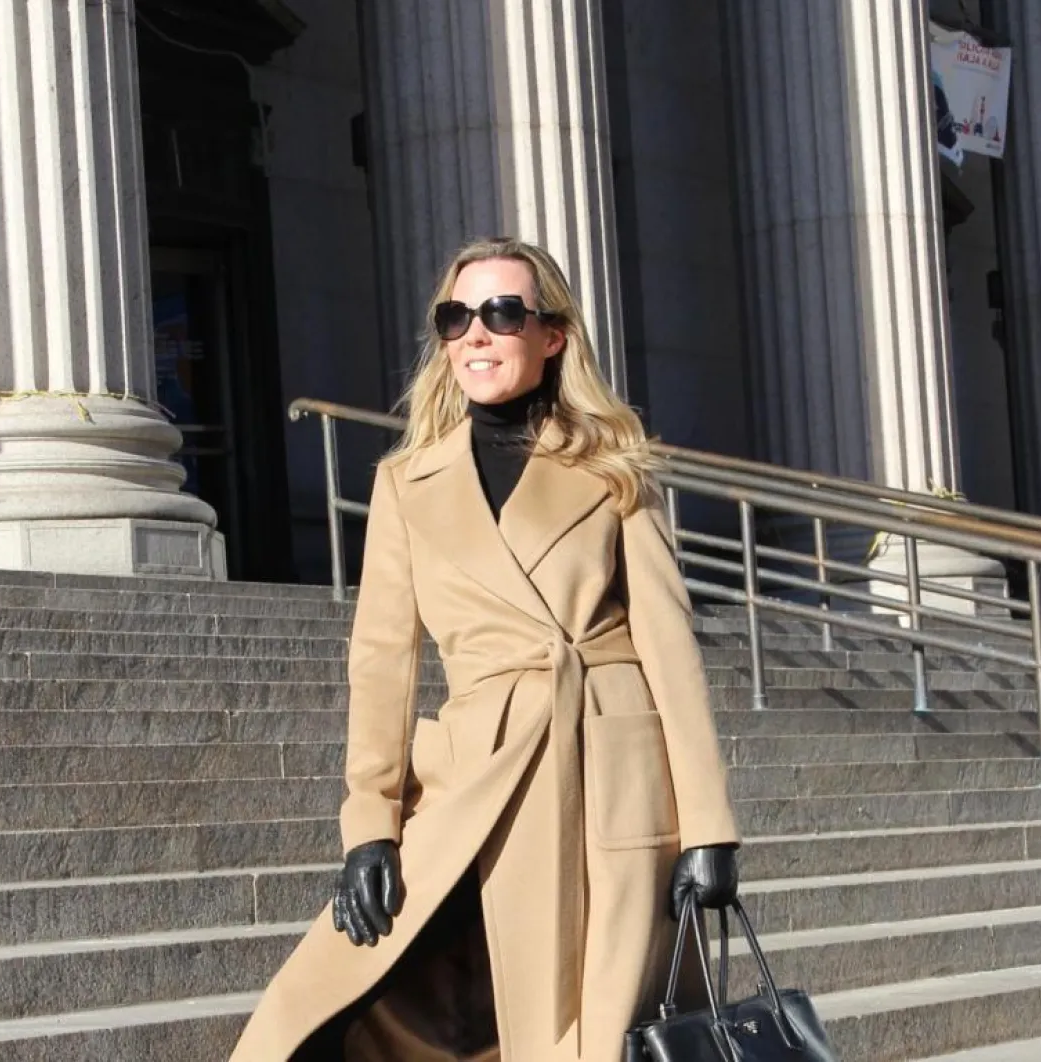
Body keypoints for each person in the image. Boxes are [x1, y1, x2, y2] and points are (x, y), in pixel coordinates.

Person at [229, 237, 740, 1062]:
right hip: (477, 773)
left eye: (502, 313)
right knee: (336, 1005)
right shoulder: (407, 483)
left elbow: (670, 648)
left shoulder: (615, 465)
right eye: (456, 316)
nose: (475, 333)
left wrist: (707, 825)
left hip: (610, 769)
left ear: (552, 335)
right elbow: (382, 662)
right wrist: (370, 826)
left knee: (595, 1029)